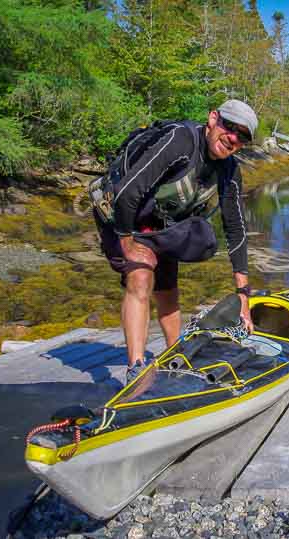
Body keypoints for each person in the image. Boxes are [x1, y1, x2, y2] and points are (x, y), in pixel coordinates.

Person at [93, 99, 257, 383]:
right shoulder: (179, 141)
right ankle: (137, 368)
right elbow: (127, 193)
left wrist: (243, 295)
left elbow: (235, 228)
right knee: (141, 278)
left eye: (242, 137)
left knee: (168, 288)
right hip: (120, 215)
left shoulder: (229, 169)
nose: (232, 138)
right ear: (213, 119)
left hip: (163, 221)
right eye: (229, 127)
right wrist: (127, 242)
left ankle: (175, 356)